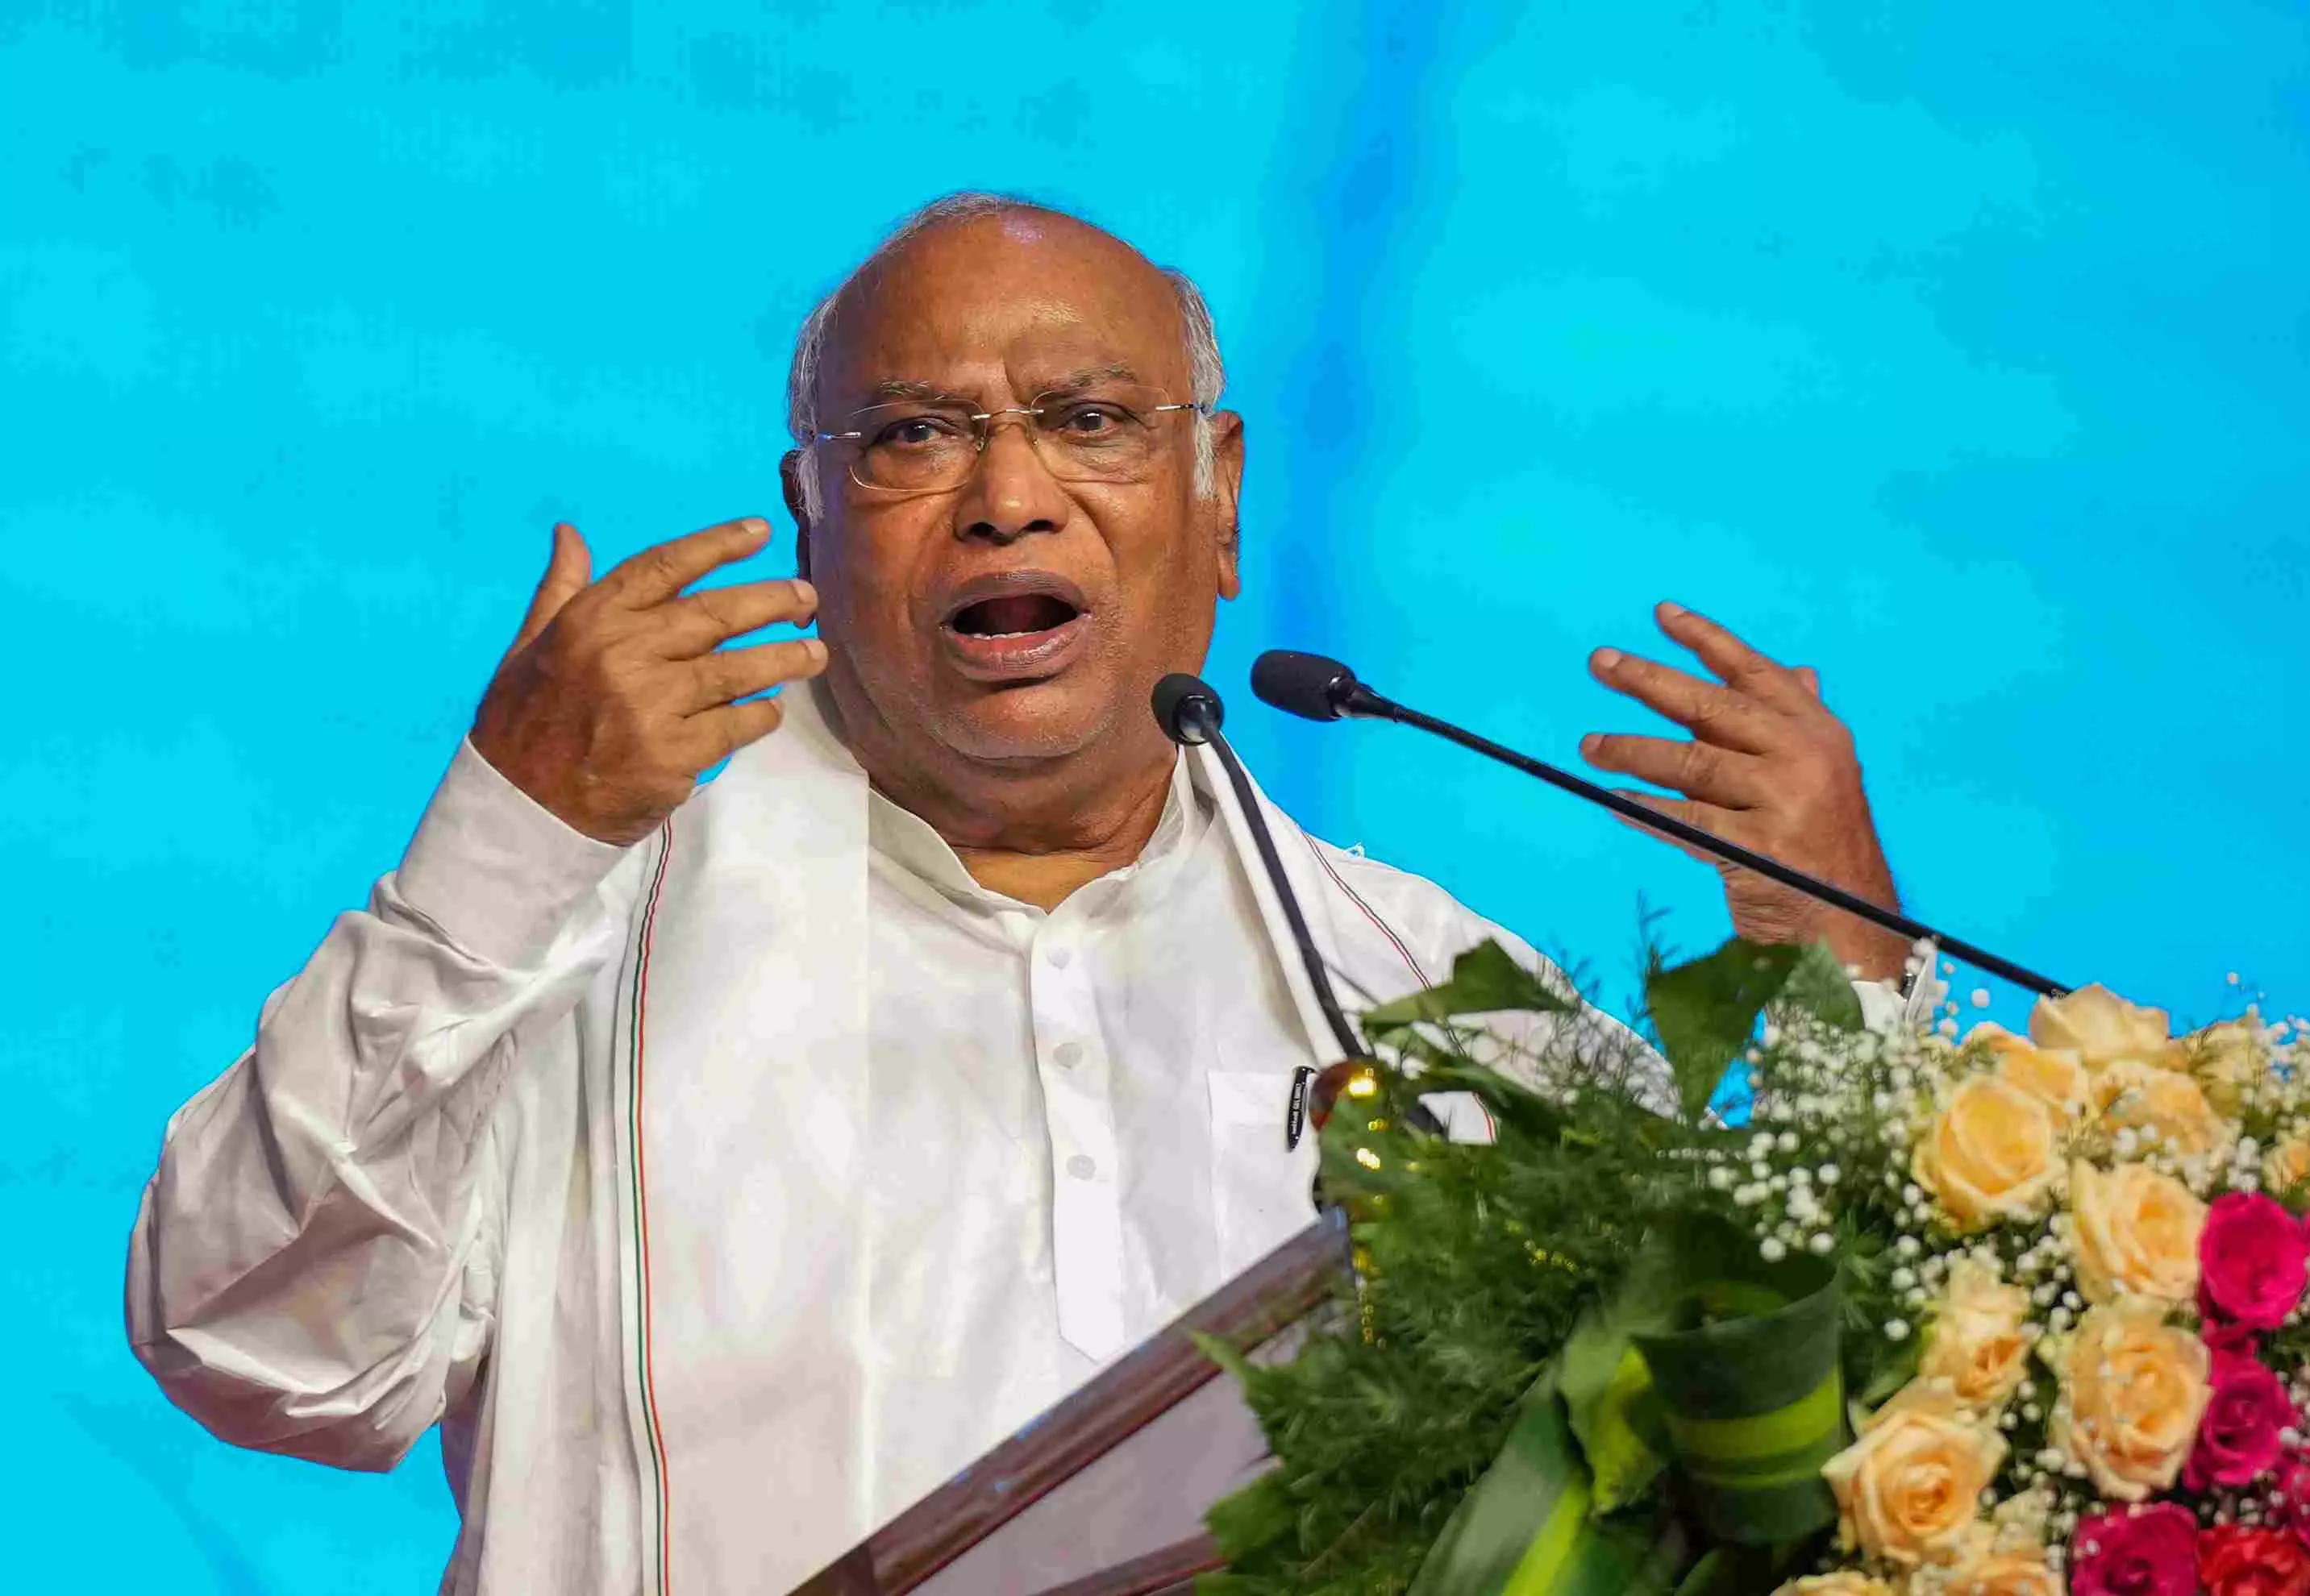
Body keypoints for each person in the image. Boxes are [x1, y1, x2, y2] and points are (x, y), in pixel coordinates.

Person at [126, 193, 1920, 1594]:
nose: (1007, 499)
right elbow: (251, 1344)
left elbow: (1770, 1455)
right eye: (915, 435)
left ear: (1220, 503)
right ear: (811, 519)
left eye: (1090, 420)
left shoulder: (1428, 992)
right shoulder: (575, 944)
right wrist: (508, 842)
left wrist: (1848, 992)